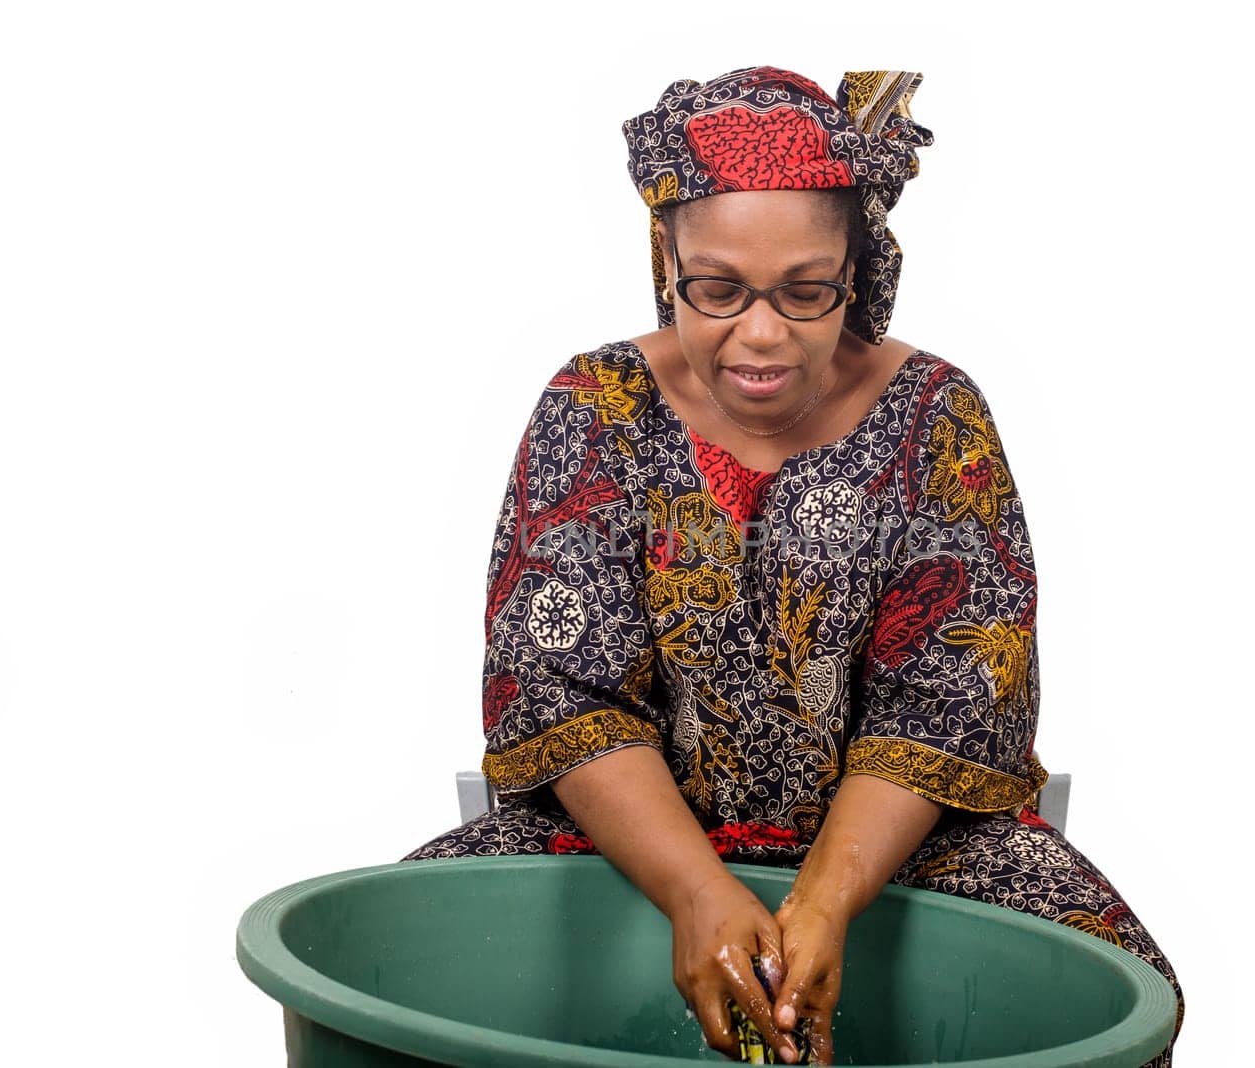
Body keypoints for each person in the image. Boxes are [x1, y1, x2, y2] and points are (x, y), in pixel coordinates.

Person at [401, 65, 1185, 1066]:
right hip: (627, 844)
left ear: (857, 272)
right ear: (664, 258)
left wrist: (820, 902)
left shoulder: (936, 418)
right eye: (717, 290)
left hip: (911, 857)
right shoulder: (594, 407)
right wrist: (697, 893)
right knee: (411, 979)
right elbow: (560, 693)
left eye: (805, 292)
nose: (760, 335)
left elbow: (949, 702)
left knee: (1132, 998)